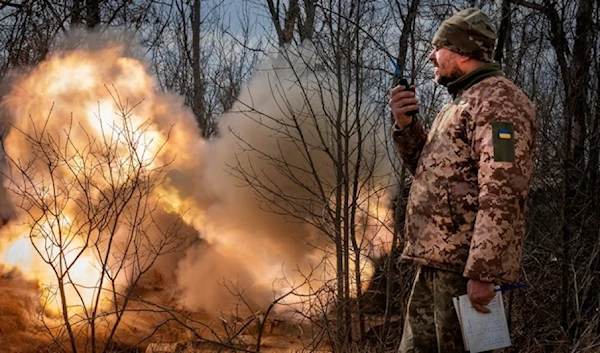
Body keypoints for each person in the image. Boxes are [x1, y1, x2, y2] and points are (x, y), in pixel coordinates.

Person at [388, 7, 536, 353]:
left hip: (464, 269)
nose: (431, 56)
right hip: (437, 263)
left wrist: (483, 271)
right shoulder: (459, 103)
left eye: (437, 47)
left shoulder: (500, 103)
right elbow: (433, 175)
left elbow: (503, 191)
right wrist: (407, 126)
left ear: (461, 51)